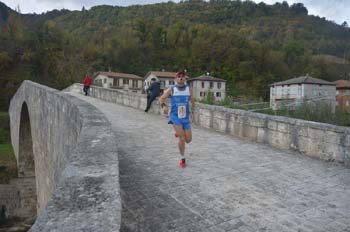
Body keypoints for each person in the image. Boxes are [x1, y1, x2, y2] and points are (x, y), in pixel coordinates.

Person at [159, 71, 195, 168]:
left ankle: (178, 132)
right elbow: (161, 98)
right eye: (179, 77)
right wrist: (163, 106)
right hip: (175, 117)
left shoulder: (189, 89)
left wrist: (192, 112)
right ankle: (182, 159)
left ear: (185, 79)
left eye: (183, 76)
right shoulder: (172, 89)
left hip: (185, 117)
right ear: (175, 79)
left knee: (188, 140)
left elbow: (192, 101)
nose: (181, 78)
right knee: (182, 139)